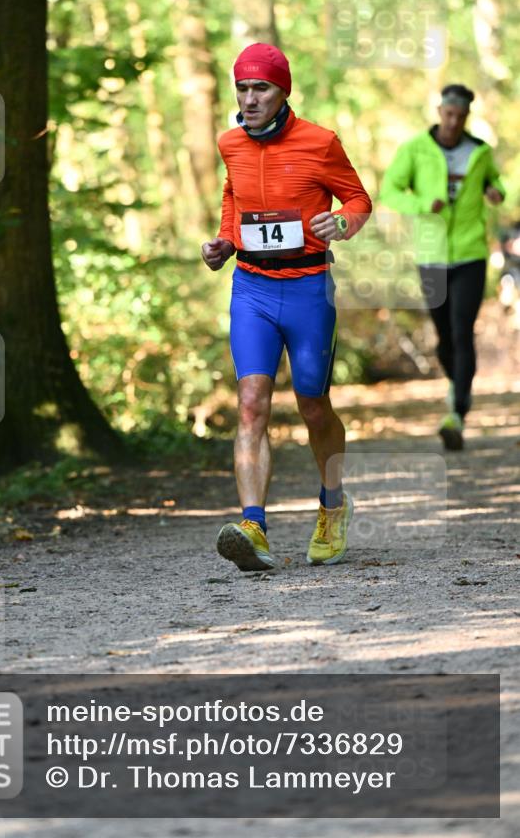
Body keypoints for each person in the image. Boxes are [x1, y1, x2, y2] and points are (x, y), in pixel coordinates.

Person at [201, 43, 372, 572]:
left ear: (283, 92)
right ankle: (253, 525)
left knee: (313, 405)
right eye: (243, 88)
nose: (249, 99)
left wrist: (340, 223)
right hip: (251, 287)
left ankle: (332, 504)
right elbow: (235, 198)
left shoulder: (320, 142)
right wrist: (226, 240)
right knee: (251, 403)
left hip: (307, 289)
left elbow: (359, 199)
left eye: (261, 89)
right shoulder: (230, 142)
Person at [380, 84, 505, 451]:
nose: (453, 121)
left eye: (460, 115)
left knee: (462, 330)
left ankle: (457, 412)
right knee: (445, 338)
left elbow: (491, 180)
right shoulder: (415, 149)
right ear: (439, 111)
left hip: (470, 252)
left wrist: (497, 190)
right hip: (431, 253)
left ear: (467, 115)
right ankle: (457, 387)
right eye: (448, 113)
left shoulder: (479, 151)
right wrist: (422, 204)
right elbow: (389, 189)